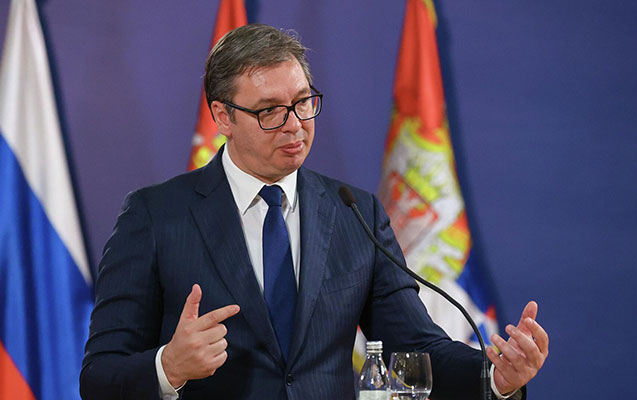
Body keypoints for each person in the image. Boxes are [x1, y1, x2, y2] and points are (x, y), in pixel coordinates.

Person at [80, 24, 548, 400]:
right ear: (223, 116)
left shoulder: (354, 213)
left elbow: (414, 346)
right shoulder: (155, 216)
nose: (295, 126)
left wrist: (496, 377)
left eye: (303, 102)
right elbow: (99, 376)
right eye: (270, 111)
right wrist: (167, 367)